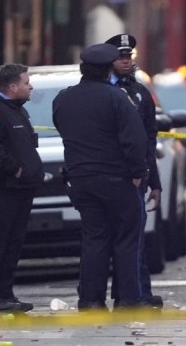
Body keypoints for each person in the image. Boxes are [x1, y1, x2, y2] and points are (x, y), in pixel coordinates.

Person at [52, 43, 150, 310]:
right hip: (117, 178)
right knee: (126, 239)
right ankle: (128, 299)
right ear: (108, 70)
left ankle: (91, 300)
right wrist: (138, 173)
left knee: (95, 239)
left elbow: (63, 128)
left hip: (81, 179)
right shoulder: (117, 98)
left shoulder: (63, 98)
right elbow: (134, 139)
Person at [0, 64, 44, 313]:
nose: (30, 86)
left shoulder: (18, 111)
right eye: (26, 82)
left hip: (22, 188)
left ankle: (5, 293)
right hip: (2, 188)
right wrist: (15, 168)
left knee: (13, 243)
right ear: (12, 86)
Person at [104, 33, 162, 307]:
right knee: (107, 241)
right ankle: (113, 296)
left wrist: (155, 181)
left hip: (135, 177)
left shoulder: (140, 92)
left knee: (135, 239)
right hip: (107, 174)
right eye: (120, 57)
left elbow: (149, 139)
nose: (125, 62)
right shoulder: (101, 89)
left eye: (128, 57)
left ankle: (139, 293)